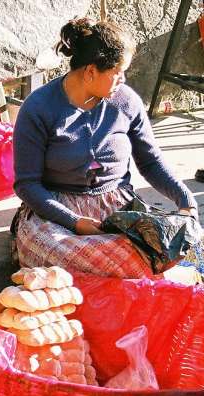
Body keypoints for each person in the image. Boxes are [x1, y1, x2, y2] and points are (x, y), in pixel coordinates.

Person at [12, 18, 199, 279]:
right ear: (90, 71)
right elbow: (27, 185)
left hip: (116, 207)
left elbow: (151, 162)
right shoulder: (38, 108)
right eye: (118, 71)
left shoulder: (127, 102)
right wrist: (74, 222)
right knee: (58, 251)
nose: (123, 79)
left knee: (169, 244)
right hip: (55, 211)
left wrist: (185, 201)